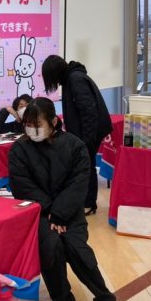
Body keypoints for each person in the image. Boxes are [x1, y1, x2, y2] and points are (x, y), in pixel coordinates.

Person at [8, 98, 118, 301]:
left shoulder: (75, 146)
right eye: (28, 125)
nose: (32, 130)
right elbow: (22, 186)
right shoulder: (19, 149)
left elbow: (79, 182)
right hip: (38, 213)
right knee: (51, 246)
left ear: (54, 122)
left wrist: (60, 213)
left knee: (77, 248)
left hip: (69, 212)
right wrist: (50, 211)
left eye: (37, 125)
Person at [42, 55, 112, 215]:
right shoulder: (71, 78)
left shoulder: (75, 79)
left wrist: (86, 141)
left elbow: (89, 112)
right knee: (83, 165)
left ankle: (89, 203)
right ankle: (84, 200)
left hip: (90, 132)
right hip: (84, 132)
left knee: (86, 165)